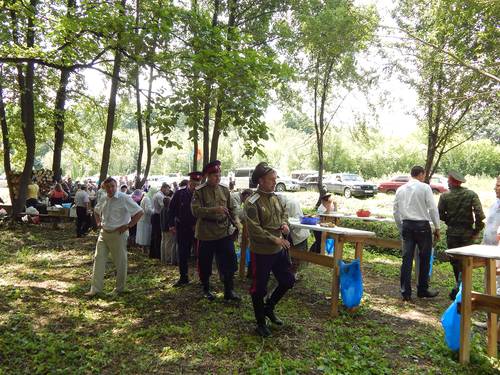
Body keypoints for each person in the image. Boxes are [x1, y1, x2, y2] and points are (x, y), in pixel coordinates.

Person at [245, 162, 295, 337]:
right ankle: (260, 322)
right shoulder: (252, 202)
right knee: (259, 288)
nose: (274, 182)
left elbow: (283, 214)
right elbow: (254, 228)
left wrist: (284, 224)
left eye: (275, 179)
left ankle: (269, 307)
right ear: (260, 181)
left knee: (288, 281)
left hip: (278, 249)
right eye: (271, 179)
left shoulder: (275, 197)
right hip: (262, 251)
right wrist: (274, 238)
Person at [191, 160, 241, 301]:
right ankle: (206, 289)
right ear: (207, 175)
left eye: (219, 175)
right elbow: (195, 211)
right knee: (205, 263)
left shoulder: (224, 189)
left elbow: (232, 208)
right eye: (214, 175)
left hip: (223, 231)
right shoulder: (199, 191)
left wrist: (236, 220)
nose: (217, 178)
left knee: (230, 261)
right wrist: (214, 210)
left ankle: (228, 290)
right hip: (206, 232)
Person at [86, 177, 143, 296]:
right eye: (108, 187)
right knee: (99, 259)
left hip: (118, 234)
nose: (110, 189)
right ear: (104, 188)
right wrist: (98, 223)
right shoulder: (103, 198)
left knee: (120, 261)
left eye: (112, 186)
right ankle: (96, 289)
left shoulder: (124, 198)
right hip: (104, 233)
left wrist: (128, 225)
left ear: (116, 186)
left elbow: (139, 212)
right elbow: (96, 211)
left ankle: (120, 288)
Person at [393, 165, 440, 302]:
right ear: (421, 174)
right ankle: (422, 289)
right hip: (422, 226)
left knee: (406, 259)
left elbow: (395, 211)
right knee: (424, 258)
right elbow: (432, 208)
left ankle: (405, 292)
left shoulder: (400, 189)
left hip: (406, 225)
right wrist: (437, 227)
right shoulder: (425, 187)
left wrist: (400, 227)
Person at [438, 170, 485, 300]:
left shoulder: (444, 197)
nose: (447, 182)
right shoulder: (471, 194)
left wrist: (450, 221)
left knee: (455, 261)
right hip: (467, 234)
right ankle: (462, 288)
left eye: (448, 180)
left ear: (452, 182)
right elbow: (480, 215)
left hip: (452, 234)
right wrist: (477, 230)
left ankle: (459, 288)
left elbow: (440, 215)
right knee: (466, 262)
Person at [168, 171, 203, 287]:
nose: (195, 187)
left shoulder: (203, 194)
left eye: (198, 185)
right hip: (183, 228)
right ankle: (183, 277)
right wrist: (171, 225)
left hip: (199, 228)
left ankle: (203, 278)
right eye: (193, 184)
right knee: (183, 254)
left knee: (201, 254)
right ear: (189, 183)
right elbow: (171, 209)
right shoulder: (180, 194)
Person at [277, 194, 310, 278]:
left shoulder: (292, 203)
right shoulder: (282, 203)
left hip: (298, 233)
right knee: (288, 254)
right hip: (289, 233)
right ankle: (287, 273)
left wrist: (286, 225)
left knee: (297, 256)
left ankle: (293, 275)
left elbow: (297, 220)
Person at [151, 183, 170, 259]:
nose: (168, 191)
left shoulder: (158, 194)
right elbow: (164, 205)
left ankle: (155, 254)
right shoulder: (160, 196)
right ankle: (157, 254)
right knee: (158, 236)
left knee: (156, 236)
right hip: (157, 216)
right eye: (168, 189)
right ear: (163, 188)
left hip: (157, 215)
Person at [160, 196, 176, 264]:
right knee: (168, 244)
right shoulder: (168, 209)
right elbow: (169, 219)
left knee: (163, 243)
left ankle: (163, 257)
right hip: (167, 228)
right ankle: (168, 258)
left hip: (162, 227)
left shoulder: (162, 209)